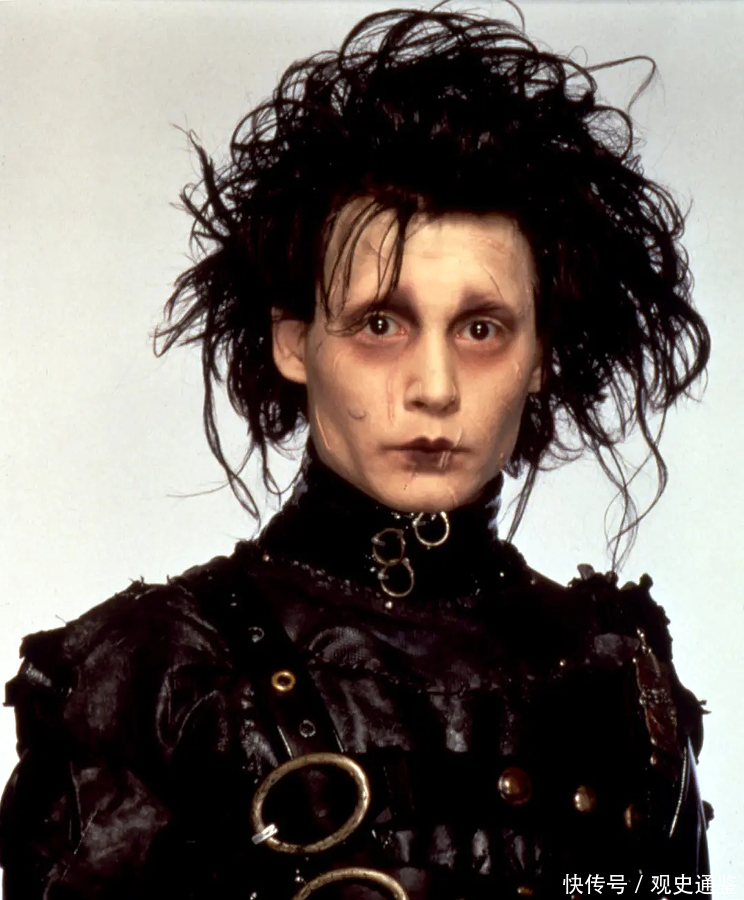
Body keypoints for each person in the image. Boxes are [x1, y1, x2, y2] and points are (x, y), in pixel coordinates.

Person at [0, 7, 712, 899]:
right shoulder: (152, 674)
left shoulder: (616, 668)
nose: (435, 387)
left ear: (541, 358)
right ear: (294, 342)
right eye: (381, 324)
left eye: (482, 329)